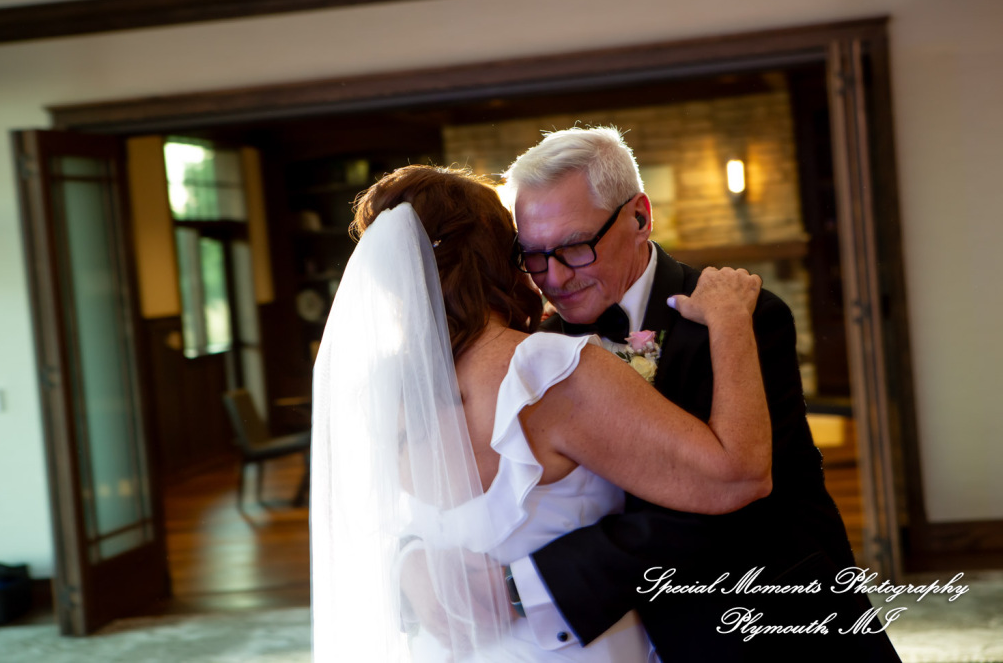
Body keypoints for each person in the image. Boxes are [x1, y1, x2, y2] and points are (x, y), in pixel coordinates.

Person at [310, 164, 769, 661]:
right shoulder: (546, 370)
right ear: (501, 255)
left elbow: (365, 529)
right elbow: (737, 477)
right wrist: (730, 321)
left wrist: (410, 561)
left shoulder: (381, 389)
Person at [503, 126, 901, 662]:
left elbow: (729, 504)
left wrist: (535, 581)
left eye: (575, 247)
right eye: (533, 254)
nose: (552, 278)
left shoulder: (741, 315)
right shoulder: (541, 352)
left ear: (639, 217)